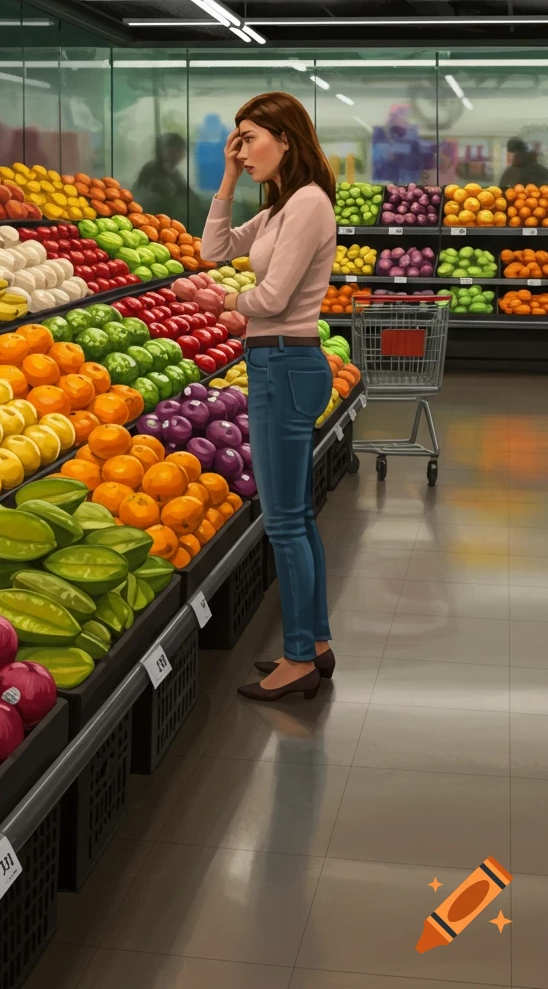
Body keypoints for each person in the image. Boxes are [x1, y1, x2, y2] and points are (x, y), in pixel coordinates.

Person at [201, 92, 337, 703]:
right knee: (298, 518)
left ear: (286, 138)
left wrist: (224, 305)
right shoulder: (283, 206)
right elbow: (215, 250)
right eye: (237, 138)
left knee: (283, 523)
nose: (242, 148)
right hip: (280, 361)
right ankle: (318, 642)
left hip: (283, 362)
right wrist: (227, 178)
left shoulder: (306, 203)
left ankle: (299, 657)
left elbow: (274, 298)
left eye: (250, 137)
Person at [133, 133, 202, 222]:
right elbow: (147, 200)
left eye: (182, 151)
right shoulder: (152, 170)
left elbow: (189, 194)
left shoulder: (174, 173)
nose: (181, 155)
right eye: (178, 151)